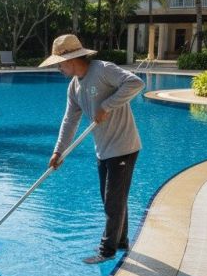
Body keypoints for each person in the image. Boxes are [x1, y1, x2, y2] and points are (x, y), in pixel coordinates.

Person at [41, 34, 144, 264]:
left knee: (113, 202)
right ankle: (121, 242)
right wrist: (58, 152)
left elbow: (136, 83)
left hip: (124, 146)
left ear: (71, 59)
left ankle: (106, 251)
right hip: (104, 149)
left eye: (59, 63)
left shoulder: (103, 70)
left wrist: (107, 106)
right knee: (112, 200)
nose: (58, 67)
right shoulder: (74, 87)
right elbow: (70, 121)